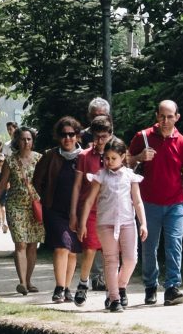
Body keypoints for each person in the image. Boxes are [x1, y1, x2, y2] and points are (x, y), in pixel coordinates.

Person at [130, 100, 183, 305]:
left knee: (174, 245)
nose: (165, 120)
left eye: (170, 116)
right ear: (156, 116)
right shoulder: (142, 137)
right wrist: (139, 157)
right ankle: (150, 286)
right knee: (149, 247)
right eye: (162, 116)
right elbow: (122, 161)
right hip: (148, 203)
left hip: (176, 204)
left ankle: (172, 288)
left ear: (177, 117)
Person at [77, 137, 146, 312]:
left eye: (113, 158)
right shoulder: (100, 176)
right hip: (105, 224)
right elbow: (89, 200)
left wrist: (143, 223)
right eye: (106, 158)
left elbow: (138, 202)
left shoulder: (130, 176)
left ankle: (120, 286)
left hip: (127, 222)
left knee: (131, 259)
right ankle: (114, 298)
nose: (109, 161)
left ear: (123, 156)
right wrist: (83, 223)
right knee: (111, 260)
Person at [32, 117, 88, 301]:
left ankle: (67, 287)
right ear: (58, 137)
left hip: (78, 211)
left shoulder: (84, 156)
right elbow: (37, 180)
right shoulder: (50, 156)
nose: (67, 138)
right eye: (64, 135)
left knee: (73, 251)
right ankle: (59, 287)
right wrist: (46, 199)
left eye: (71, 134)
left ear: (77, 136)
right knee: (61, 246)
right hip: (55, 210)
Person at [0, 126, 43, 294]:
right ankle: (22, 282)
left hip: (34, 206)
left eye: (29, 139)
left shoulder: (40, 159)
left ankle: (28, 281)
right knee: (20, 243)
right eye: (22, 139)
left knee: (32, 244)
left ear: (33, 141)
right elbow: (1, 185)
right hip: (15, 205)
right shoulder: (10, 161)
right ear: (17, 141)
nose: (26, 142)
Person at [69, 118, 113, 306]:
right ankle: (83, 283)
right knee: (89, 248)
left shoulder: (116, 154)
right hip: (90, 209)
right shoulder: (85, 156)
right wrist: (74, 213)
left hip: (111, 209)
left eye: (104, 137)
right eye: (97, 137)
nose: (100, 141)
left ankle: (112, 291)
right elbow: (77, 186)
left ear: (110, 135)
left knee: (110, 252)